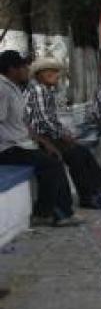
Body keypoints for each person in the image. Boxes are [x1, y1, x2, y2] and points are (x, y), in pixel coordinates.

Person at [0, 50, 81, 227]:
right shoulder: (2, 89)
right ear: (12, 69)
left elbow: (24, 123)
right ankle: (48, 213)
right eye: (23, 67)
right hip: (9, 148)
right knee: (51, 164)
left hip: (22, 144)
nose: (26, 70)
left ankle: (61, 211)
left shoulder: (14, 87)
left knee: (54, 157)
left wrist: (44, 142)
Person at [25, 57, 101, 209]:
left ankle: (97, 190)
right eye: (52, 72)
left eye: (56, 72)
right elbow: (43, 121)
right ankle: (88, 195)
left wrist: (64, 133)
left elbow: (51, 119)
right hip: (41, 138)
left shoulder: (46, 90)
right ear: (41, 74)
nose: (56, 75)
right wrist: (63, 135)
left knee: (82, 152)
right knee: (76, 154)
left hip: (50, 135)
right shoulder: (38, 90)